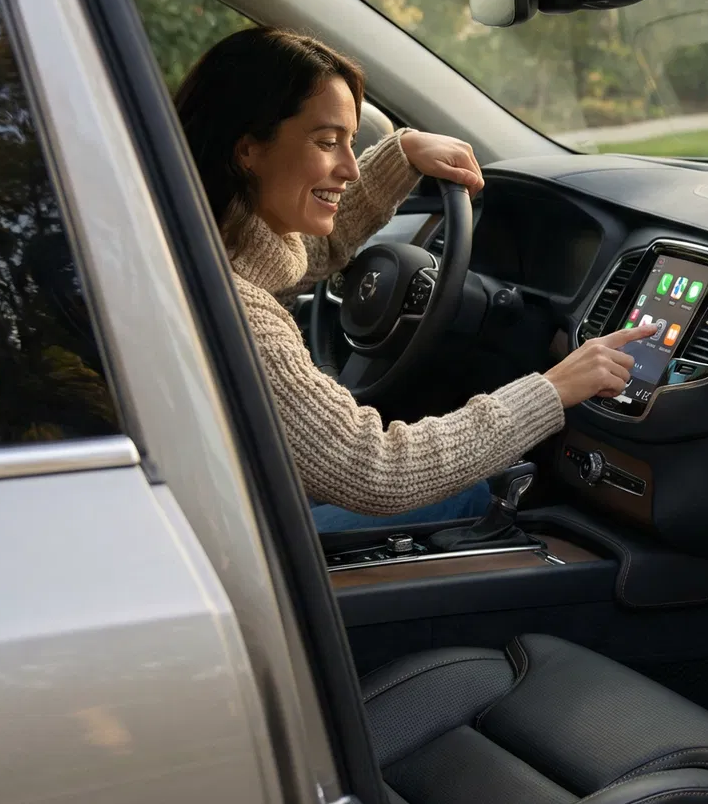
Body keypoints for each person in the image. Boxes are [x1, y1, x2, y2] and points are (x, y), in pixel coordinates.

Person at [174, 27, 656, 532]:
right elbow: (379, 471)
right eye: (327, 142)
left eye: (351, 143)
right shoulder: (240, 314)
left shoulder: (193, 251)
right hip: (230, 546)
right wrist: (554, 388)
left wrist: (401, 154)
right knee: (476, 496)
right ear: (248, 149)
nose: (350, 169)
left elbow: (304, 256)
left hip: (212, 511)